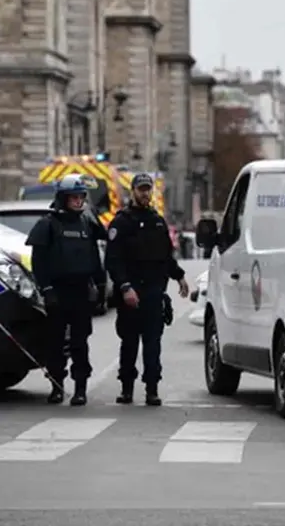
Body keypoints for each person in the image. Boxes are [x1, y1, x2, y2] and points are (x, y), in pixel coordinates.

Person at [105, 173, 189, 406]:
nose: (145, 193)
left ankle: (152, 388)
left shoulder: (157, 222)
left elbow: (166, 257)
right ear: (133, 191)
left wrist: (179, 276)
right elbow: (113, 260)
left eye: (148, 189)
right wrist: (125, 287)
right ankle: (127, 388)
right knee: (129, 343)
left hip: (153, 292)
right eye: (141, 189)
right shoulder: (122, 222)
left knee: (153, 344)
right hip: (131, 293)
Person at [25, 173, 107, 405]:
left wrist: (100, 288)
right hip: (57, 292)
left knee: (80, 343)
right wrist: (47, 289)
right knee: (56, 343)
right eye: (74, 198)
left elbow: (95, 256)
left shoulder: (87, 223)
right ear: (63, 198)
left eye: (81, 197)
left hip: (81, 292)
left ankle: (80, 388)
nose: (79, 201)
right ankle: (57, 386)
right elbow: (38, 262)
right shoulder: (47, 224)